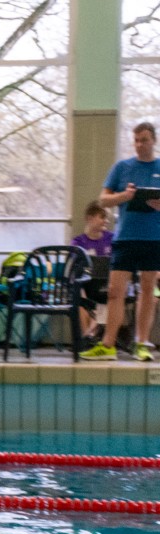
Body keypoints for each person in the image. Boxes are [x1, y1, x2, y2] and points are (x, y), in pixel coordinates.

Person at [80, 122, 160, 362]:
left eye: (144, 140)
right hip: (125, 238)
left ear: (154, 141)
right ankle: (108, 345)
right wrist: (124, 196)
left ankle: (141, 344)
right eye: (136, 140)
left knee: (148, 290)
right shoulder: (122, 168)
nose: (139, 145)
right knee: (115, 291)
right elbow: (103, 200)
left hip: (153, 238)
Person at [71, 201, 115, 345]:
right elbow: (75, 267)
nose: (106, 221)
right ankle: (88, 336)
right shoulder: (78, 242)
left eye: (107, 217)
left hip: (108, 285)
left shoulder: (112, 239)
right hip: (87, 286)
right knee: (79, 292)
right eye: (102, 217)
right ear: (90, 218)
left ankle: (91, 333)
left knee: (110, 290)